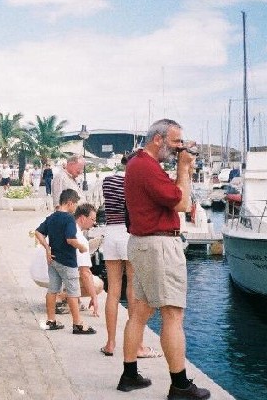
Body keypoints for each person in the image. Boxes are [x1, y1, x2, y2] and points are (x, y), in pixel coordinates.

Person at [117, 119, 210, 400]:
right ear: (158, 139)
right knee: (173, 314)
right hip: (158, 245)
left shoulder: (138, 164)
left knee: (141, 312)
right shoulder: (146, 166)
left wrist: (183, 169)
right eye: (176, 142)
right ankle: (180, 386)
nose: (179, 147)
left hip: (143, 245)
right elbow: (182, 203)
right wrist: (183, 168)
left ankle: (129, 374)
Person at [100, 158, 161, 359]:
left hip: (109, 234)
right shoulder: (131, 183)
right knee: (133, 290)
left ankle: (110, 343)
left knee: (113, 291)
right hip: (127, 233)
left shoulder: (108, 181)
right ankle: (139, 345)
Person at [34, 189, 96, 335]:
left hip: (53, 260)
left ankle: (51, 321)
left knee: (52, 290)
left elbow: (38, 232)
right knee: (73, 293)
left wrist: (47, 248)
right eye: (75, 204)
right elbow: (70, 239)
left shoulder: (52, 217)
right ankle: (78, 324)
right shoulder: (68, 218)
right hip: (67, 262)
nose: (75, 208)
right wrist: (82, 247)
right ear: (69, 203)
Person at [74, 204, 100, 317]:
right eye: (92, 219)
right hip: (51, 276)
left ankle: (71, 298)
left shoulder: (68, 226)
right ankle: (61, 296)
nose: (94, 223)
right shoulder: (81, 239)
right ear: (83, 218)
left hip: (42, 271)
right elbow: (84, 273)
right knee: (98, 284)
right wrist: (94, 296)